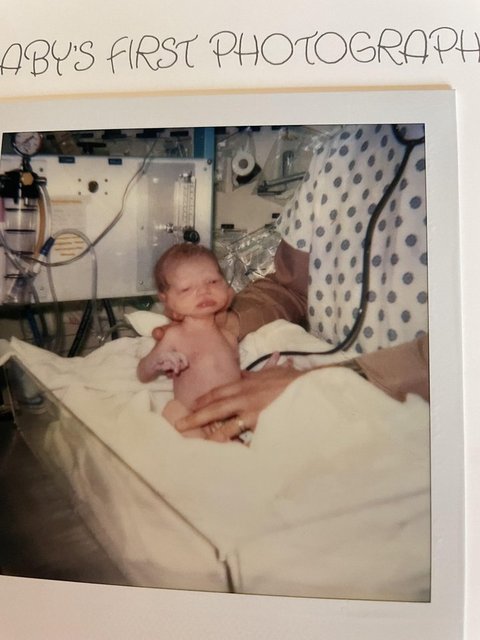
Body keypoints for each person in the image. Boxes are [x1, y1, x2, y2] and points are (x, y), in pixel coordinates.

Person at [162, 124, 430, 441]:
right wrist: (229, 322)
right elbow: (291, 287)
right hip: (324, 390)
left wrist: (331, 383)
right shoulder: (338, 154)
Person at [137, 242, 248, 440]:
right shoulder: (175, 336)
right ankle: (205, 448)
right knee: (173, 410)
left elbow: (234, 378)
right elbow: (142, 373)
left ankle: (226, 446)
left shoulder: (229, 338)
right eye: (186, 289)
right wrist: (157, 360)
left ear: (226, 286)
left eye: (212, 281)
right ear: (166, 299)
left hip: (227, 417)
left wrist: (256, 378)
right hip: (192, 418)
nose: (204, 291)